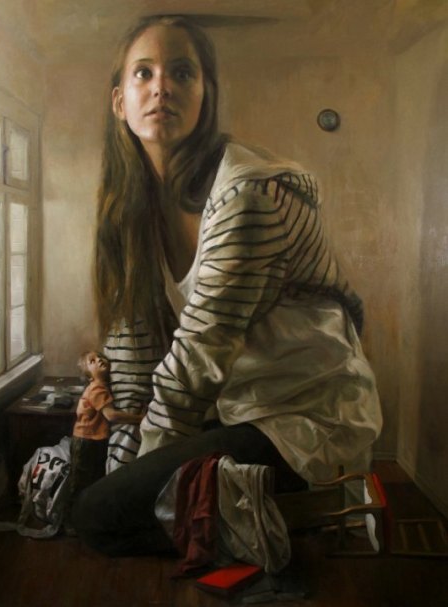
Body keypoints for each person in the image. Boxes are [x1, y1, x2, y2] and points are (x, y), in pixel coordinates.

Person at [72, 14, 382, 557]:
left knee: (97, 517)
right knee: (101, 500)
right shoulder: (135, 211)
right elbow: (136, 351)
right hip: (236, 408)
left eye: (182, 73)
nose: (162, 86)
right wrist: (121, 441)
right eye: (144, 73)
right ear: (119, 101)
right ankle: (259, 516)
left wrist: (138, 482)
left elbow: (196, 361)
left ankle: (293, 519)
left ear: (205, 95)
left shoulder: (247, 195)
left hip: (303, 420)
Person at [66, 350, 145, 529]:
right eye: (92, 361)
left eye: (100, 357)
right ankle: (71, 523)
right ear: (89, 375)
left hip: (92, 439)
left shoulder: (101, 387)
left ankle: (83, 520)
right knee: (80, 482)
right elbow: (111, 415)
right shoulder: (97, 389)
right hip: (86, 441)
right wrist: (139, 418)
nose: (99, 360)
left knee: (89, 480)